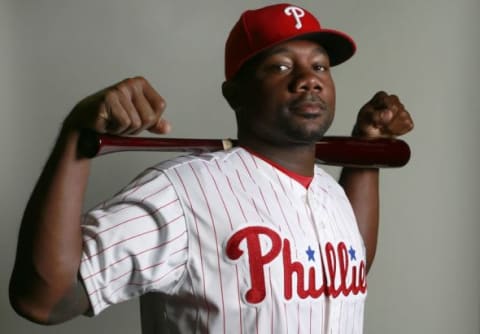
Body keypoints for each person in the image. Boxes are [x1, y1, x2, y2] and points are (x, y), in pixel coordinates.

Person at [9, 3, 413, 333]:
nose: (309, 80)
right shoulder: (183, 193)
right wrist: (76, 137)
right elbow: (44, 298)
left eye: (320, 66)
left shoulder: (330, 192)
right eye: (282, 66)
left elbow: (348, 271)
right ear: (234, 92)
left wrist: (367, 145)